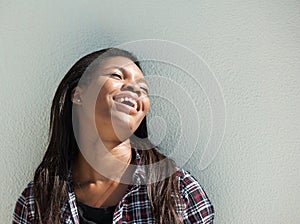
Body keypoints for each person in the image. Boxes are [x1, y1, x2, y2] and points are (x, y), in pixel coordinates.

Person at [13, 48, 214, 224]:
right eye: (118, 76)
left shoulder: (179, 191)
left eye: (143, 89)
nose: (135, 89)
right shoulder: (37, 201)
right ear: (78, 95)